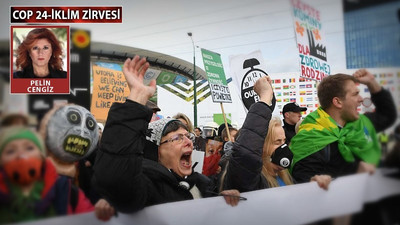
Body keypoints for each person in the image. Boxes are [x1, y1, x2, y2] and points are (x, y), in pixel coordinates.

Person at [93, 56, 242, 215]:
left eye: (188, 136)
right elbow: (116, 178)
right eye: (177, 138)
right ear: (156, 150)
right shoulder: (147, 189)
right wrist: (136, 98)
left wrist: (223, 198)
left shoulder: (203, 184)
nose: (189, 143)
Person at [221, 77, 331, 193]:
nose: (283, 147)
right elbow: (247, 153)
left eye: (284, 141)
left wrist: (311, 187)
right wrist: (265, 95)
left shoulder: (285, 175)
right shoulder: (250, 179)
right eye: (277, 142)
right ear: (260, 146)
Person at [290, 69, 397, 183]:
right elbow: (304, 188)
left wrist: (371, 82)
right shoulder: (310, 139)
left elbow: (387, 115)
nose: (361, 99)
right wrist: (355, 178)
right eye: (355, 94)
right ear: (338, 102)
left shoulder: (359, 124)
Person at [0, 127, 93, 223]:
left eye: (29, 148)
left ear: (41, 155)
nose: (21, 155)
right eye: (10, 151)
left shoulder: (65, 191)